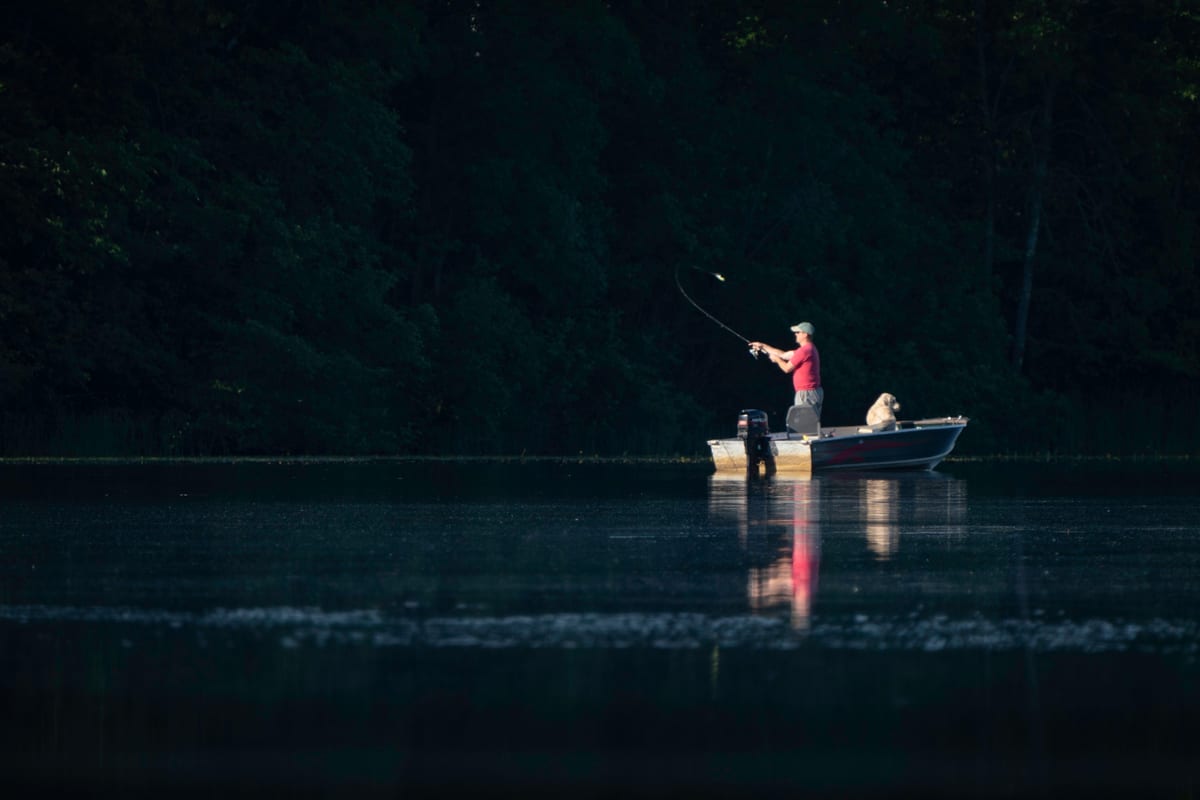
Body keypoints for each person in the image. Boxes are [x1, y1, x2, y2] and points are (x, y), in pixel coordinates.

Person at [750, 322, 823, 422]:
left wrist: (777, 360)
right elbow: (783, 355)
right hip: (809, 392)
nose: (795, 334)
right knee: (808, 423)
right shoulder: (807, 349)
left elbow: (787, 368)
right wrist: (762, 346)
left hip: (807, 393)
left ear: (805, 334)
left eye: (798, 332)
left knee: (806, 424)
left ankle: (812, 437)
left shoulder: (805, 351)